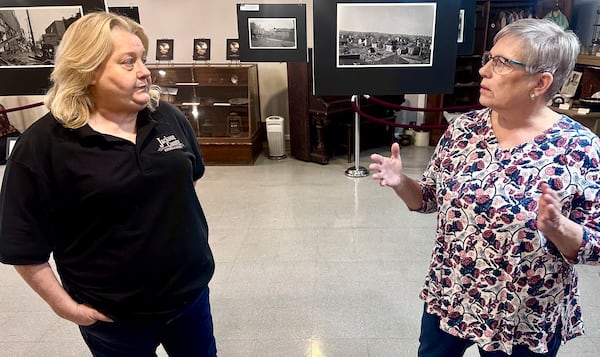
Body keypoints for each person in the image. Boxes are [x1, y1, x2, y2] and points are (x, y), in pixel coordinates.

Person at [370, 18, 600, 357]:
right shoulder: (463, 130)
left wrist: (558, 228)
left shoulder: (580, 149)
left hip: (524, 308)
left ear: (541, 82)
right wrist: (400, 182)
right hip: (452, 290)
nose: (484, 71)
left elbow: (595, 243)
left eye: (502, 63)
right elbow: (429, 199)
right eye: (489, 58)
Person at [0, 12, 217, 357]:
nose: (146, 72)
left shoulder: (168, 118)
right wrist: (66, 308)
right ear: (87, 71)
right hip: (113, 317)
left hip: (189, 299)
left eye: (142, 59)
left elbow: (187, 180)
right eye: (128, 62)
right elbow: (22, 245)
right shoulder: (42, 146)